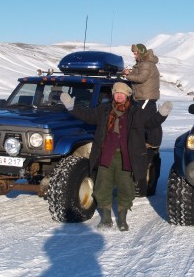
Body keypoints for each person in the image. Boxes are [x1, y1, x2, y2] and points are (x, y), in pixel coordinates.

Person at [59, 82, 172, 232]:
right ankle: (106, 218)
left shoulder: (135, 111)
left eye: (122, 93)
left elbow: (151, 123)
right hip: (106, 155)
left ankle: (122, 218)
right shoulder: (104, 110)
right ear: (113, 94)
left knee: (126, 187)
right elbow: (88, 116)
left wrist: (162, 113)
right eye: (116, 92)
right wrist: (71, 107)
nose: (119, 95)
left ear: (128, 95)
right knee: (102, 186)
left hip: (127, 156)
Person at [122, 44, 162, 147]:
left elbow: (141, 78)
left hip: (146, 96)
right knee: (149, 119)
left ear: (141, 53)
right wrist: (130, 72)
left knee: (145, 120)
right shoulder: (145, 64)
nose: (134, 56)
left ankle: (152, 142)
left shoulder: (146, 64)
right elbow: (141, 76)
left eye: (135, 54)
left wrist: (127, 75)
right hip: (145, 96)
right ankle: (152, 142)